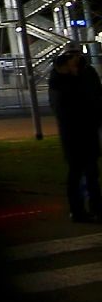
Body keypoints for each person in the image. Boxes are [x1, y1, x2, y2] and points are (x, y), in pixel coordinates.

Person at [49, 49, 102, 222]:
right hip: (72, 132)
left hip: (88, 129)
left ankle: (96, 207)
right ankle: (78, 211)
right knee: (77, 171)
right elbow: (61, 105)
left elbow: (96, 96)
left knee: (92, 172)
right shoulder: (59, 79)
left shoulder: (87, 74)